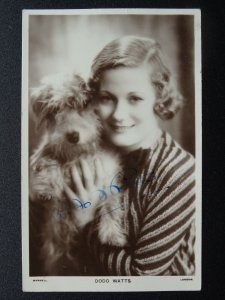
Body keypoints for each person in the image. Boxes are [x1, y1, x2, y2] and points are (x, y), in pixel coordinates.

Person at [64, 36, 196, 276]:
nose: (119, 114)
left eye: (135, 99)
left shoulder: (180, 172)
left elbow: (141, 275)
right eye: (107, 98)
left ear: (159, 97)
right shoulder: (85, 150)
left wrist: (86, 222)